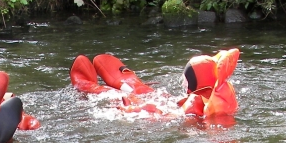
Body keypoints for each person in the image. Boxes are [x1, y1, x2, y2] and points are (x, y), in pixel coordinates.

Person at [69, 49, 240, 118]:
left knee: (120, 98)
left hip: (163, 116)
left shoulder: (194, 105)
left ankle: (87, 86)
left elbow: (167, 117)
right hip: (180, 112)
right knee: (158, 95)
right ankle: (129, 82)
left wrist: (132, 110)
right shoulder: (222, 98)